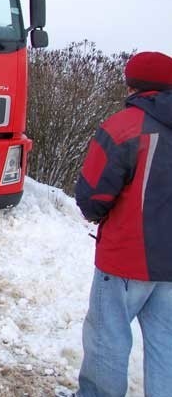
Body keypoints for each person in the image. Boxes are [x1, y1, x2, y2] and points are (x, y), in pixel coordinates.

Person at [74, 51, 172, 397]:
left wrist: (97, 215)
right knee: (166, 344)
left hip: (127, 258)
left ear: (131, 84)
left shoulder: (124, 127)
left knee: (108, 337)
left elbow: (93, 195)